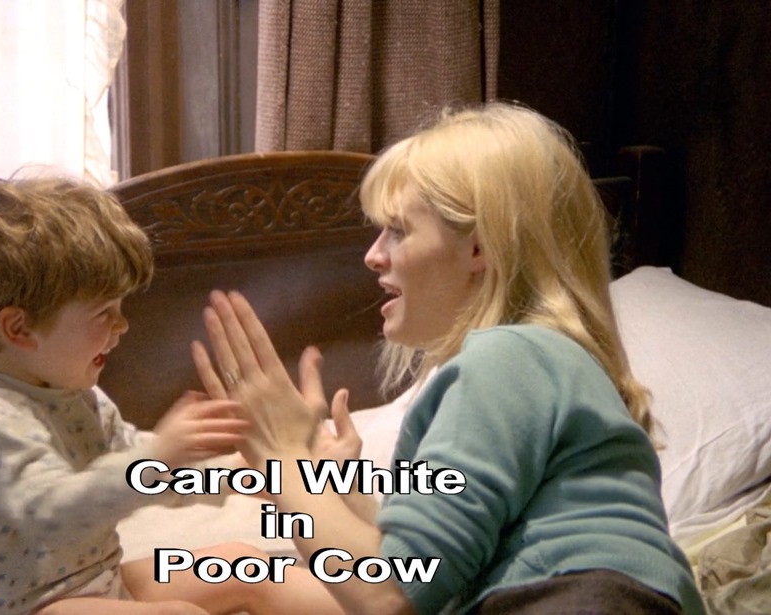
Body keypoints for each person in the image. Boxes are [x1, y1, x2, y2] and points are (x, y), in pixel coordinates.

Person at [192, 103, 704, 614]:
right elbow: (435, 571)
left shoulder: (509, 357)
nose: (373, 255)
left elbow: (391, 594)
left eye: (398, 230)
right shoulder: (547, 366)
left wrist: (283, 459)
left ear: (479, 248)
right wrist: (328, 490)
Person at [0, 175, 343, 615]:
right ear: (19, 328)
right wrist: (159, 454)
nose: (122, 326)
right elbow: (52, 512)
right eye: (104, 312)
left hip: (92, 582)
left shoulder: (71, 391)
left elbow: (136, 470)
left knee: (243, 564)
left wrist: (245, 471)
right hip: (20, 607)